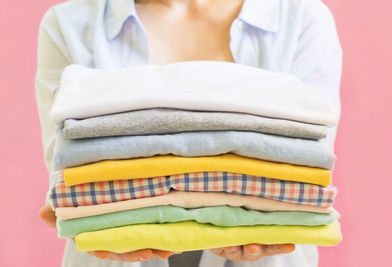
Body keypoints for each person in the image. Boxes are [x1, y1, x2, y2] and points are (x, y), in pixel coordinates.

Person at [36, 0, 342, 266]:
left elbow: (308, 162)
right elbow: (67, 174)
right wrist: (83, 220)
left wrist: (279, 224)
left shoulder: (301, 17)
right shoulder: (69, 24)